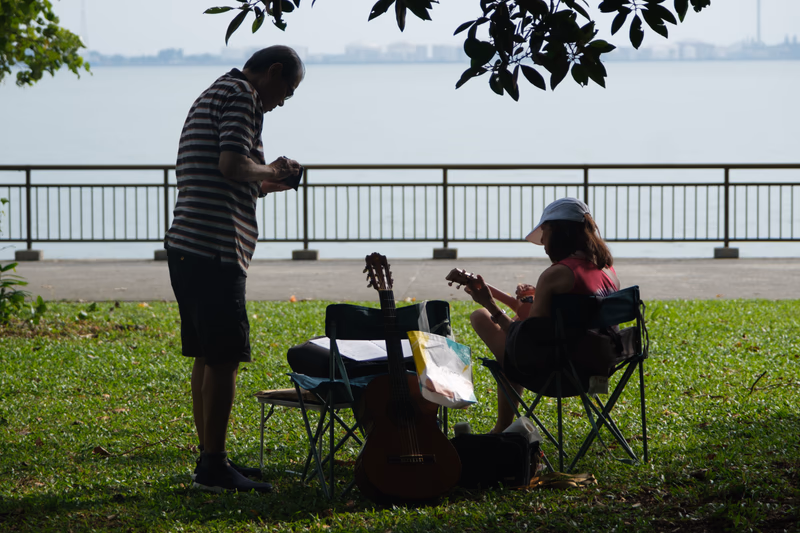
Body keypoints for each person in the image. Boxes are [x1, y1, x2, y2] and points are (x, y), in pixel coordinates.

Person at [164, 45, 305, 493]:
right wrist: (273, 165)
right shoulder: (244, 95)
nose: (284, 100)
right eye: (288, 89)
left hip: (187, 243)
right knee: (224, 358)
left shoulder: (214, 92)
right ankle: (214, 467)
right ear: (274, 71)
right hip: (215, 247)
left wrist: (265, 183)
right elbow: (231, 164)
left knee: (206, 355)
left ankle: (212, 455)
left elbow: (221, 171)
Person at [458, 197, 620, 434]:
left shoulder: (557, 274)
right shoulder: (608, 270)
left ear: (558, 231)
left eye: (544, 231)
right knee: (507, 336)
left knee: (481, 318)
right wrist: (533, 300)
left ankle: (502, 428)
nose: (543, 241)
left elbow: (527, 338)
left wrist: (490, 305)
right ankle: (502, 426)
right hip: (598, 367)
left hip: (557, 371)